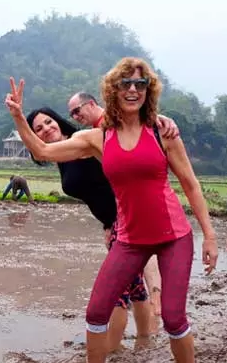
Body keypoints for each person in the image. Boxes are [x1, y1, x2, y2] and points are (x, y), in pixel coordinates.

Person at [5, 57, 218, 363]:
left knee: (175, 319)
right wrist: (19, 116)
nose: (132, 90)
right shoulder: (98, 138)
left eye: (140, 84)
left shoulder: (162, 132)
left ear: (149, 90)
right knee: (96, 312)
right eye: (125, 84)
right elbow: (43, 150)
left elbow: (190, 184)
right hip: (129, 238)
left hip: (172, 236)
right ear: (113, 90)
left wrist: (209, 235)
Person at [26, 106, 173, 350]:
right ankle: (146, 340)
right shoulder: (62, 158)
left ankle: (110, 350)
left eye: (48, 122)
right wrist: (108, 224)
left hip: (128, 221)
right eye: (38, 129)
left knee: (117, 291)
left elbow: (116, 130)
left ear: (59, 121)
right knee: (135, 288)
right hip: (115, 225)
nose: (46, 129)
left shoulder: (81, 142)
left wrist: (156, 118)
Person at [67, 92, 165, 314]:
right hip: (120, 212)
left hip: (136, 203)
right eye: (72, 114)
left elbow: (145, 120)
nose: (75, 116)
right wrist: (108, 222)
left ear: (91, 104)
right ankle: (150, 321)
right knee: (137, 268)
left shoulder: (111, 122)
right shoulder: (94, 134)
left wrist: (164, 119)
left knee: (142, 257)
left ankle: (157, 305)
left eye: (77, 110)